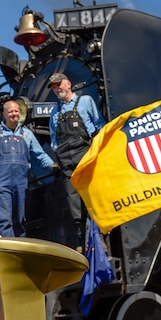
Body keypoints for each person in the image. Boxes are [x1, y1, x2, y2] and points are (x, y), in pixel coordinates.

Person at [0, 99, 57, 237]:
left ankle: (20, 249)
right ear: (4, 114)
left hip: (21, 183)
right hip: (1, 183)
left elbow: (39, 154)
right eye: (10, 111)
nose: (14, 114)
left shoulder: (27, 134)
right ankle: (6, 251)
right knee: (4, 220)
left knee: (20, 219)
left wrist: (52, 166)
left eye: (16, 111)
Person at [48, 72, 106, 249]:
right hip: (66, 160)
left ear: (68, 84)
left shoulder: (85, 101)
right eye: (53, 86)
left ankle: (100, 236)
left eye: (59, 84)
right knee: (73, 200)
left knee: (92, 194)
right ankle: (80, 238)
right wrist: (57, 150)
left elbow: (99, 124)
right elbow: (54, 140)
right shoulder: (54, 112)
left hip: (84, 153)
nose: (57, 88)